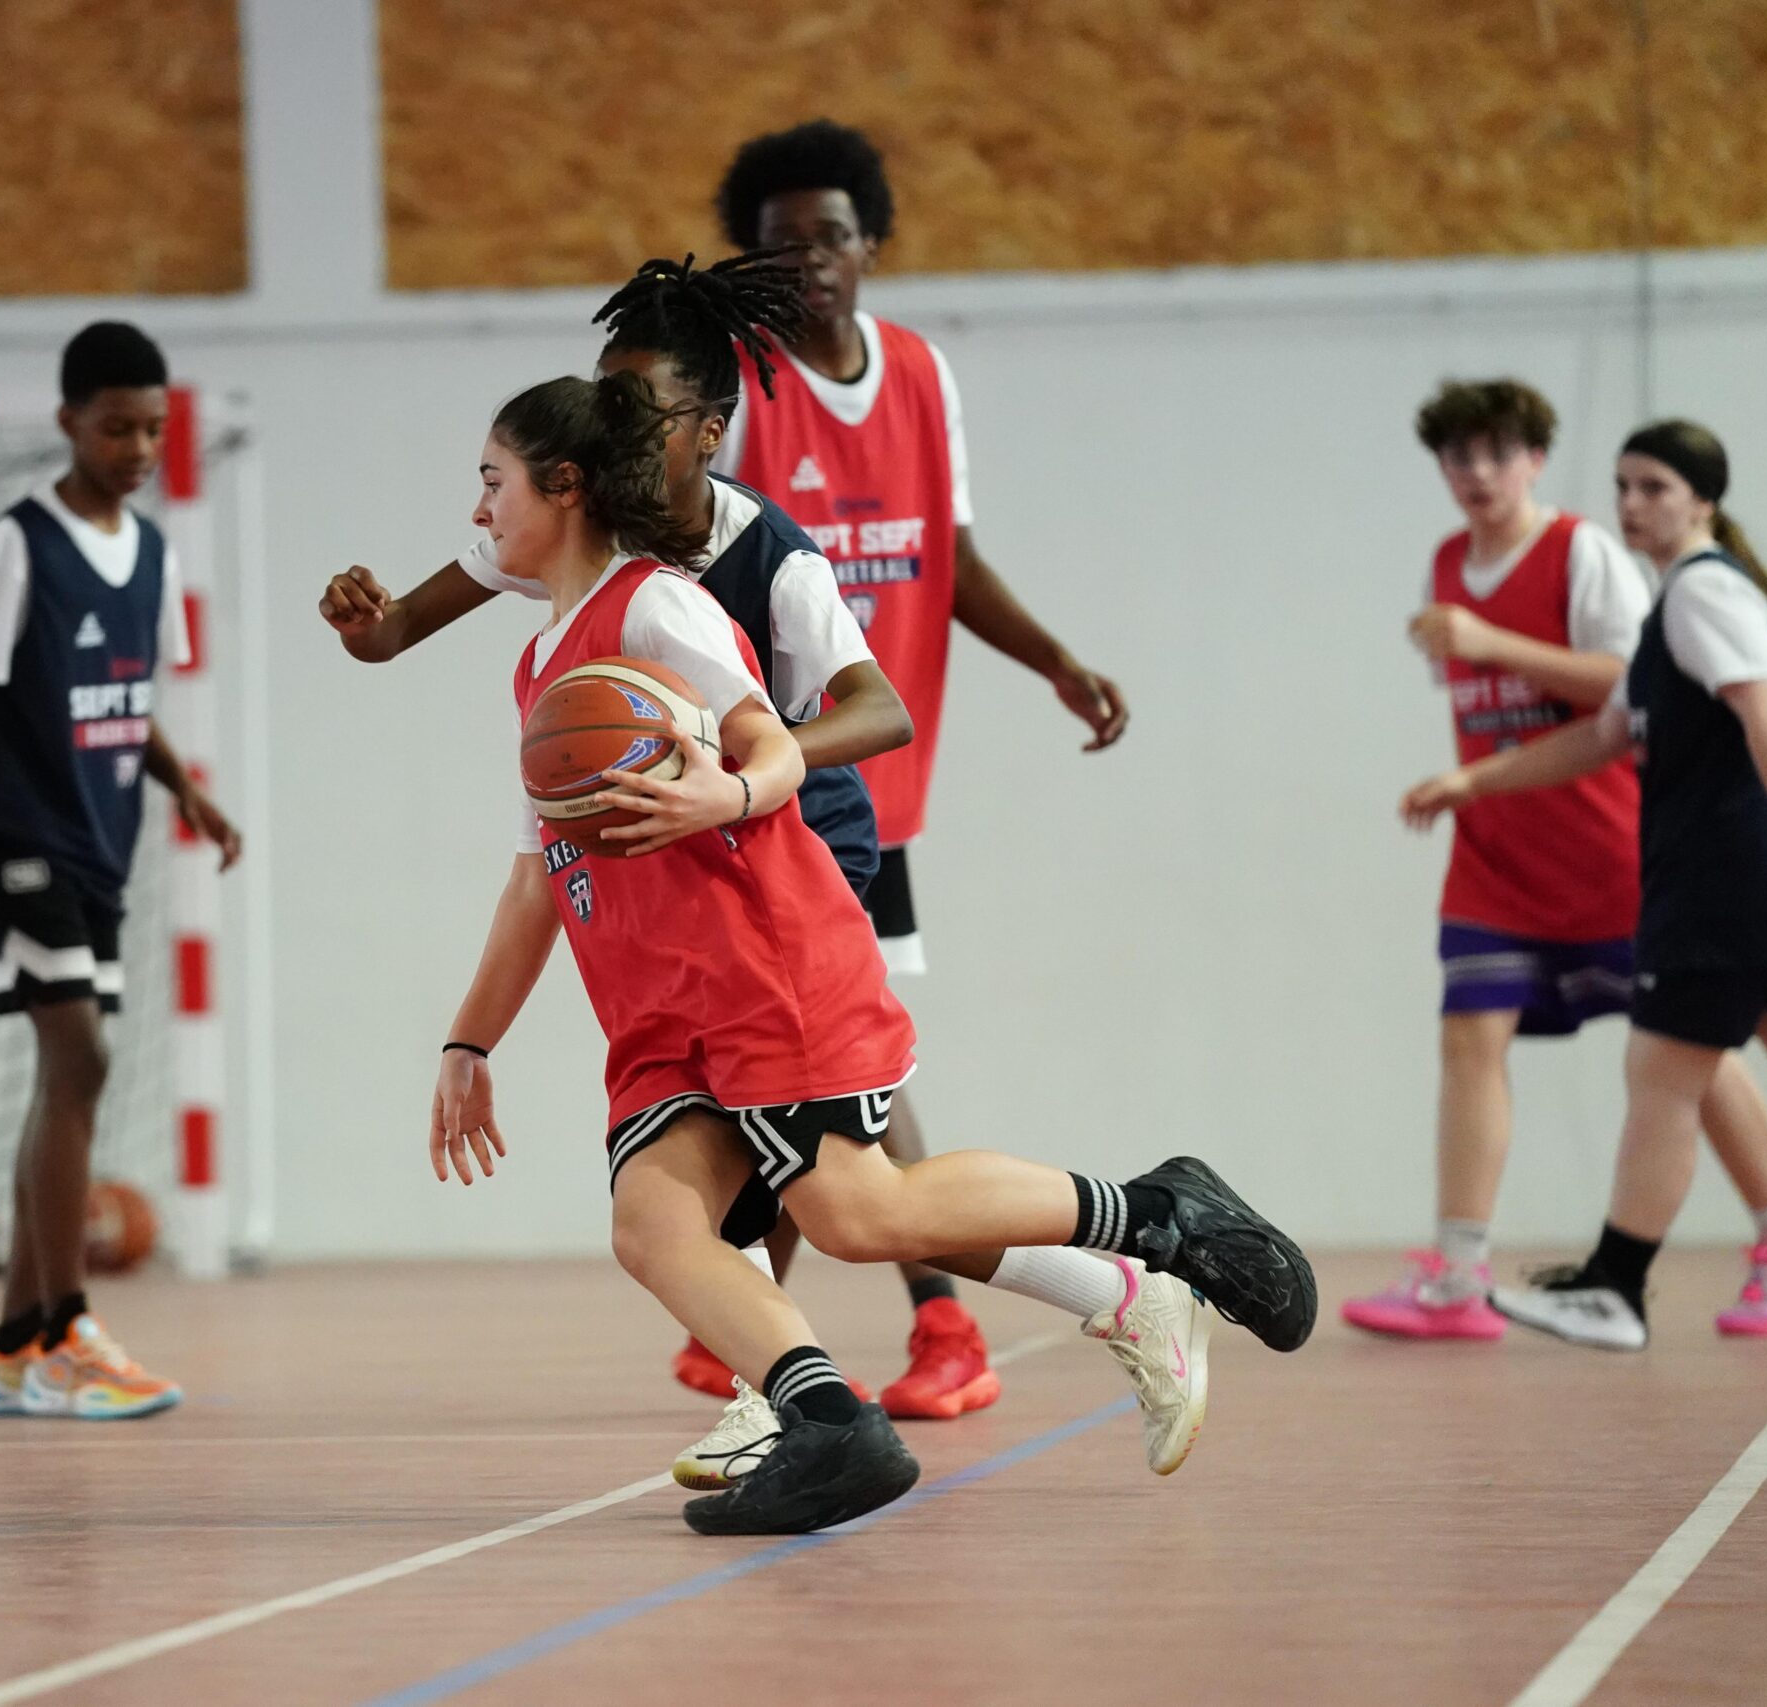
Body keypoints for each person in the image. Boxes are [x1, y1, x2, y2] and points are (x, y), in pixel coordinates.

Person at [430, 368, 1316, 1533]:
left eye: (491, 481)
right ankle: (829, 1423)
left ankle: (1155, 1214)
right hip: (657, 1000)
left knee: (853, 1213)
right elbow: (536, 877)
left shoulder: (656, 610)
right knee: (655, 1223)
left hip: (761, 963)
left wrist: (726, 792)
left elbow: (771, 744)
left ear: (564, 487)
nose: (478, 510)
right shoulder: (540, 669)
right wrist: (468, 1041)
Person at [321, 252, 1011, 1435]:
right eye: (603, 398)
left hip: (796, 834)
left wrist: (726, 772)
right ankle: (804, 1363)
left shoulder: (762, 555)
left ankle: (855, 1350)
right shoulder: (571, 538)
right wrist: (366, 626)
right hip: (684, 845)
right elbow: (399, 636)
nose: (610, 423)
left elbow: (879, 711)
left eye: (635, 407)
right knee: (797, 1164)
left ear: (707, 429)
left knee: (809, 1146)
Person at [707, 116, 1134, 1364]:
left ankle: (891, 1320)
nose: (808, 260)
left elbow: (947, 561)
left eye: (830, 236)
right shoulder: (734, 391)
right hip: (763, 782)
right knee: (812, 1059)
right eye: (780, 244)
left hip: (864, 783)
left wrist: (1055, 662)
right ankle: (799, 1311)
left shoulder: (919, 374)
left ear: (871, 244)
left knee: (835, 1061)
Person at [1348, 380, 1767, 1339]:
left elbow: (1725, 710)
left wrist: (1492, 641)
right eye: (1625, 485)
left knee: (1687, 1062)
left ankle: (1714, 1260)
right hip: (1531, 859)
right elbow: (1603, 725)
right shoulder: (1468, 567)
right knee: (1511, 1045)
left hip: (1653, 863)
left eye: (1653, 486)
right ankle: (1474, 1274)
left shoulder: (1654, 574)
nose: (1632, 502)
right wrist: (1473, 780)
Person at [0, 322, 241, 1417]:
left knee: (69, 1077)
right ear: (68, 422)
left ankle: (14, 1345)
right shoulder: (15, 547)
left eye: (151, 429)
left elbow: (123, 704)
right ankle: (65, 1330)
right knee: (80, 1059)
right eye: (115, 428)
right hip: (17, 838)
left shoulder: (151, 553)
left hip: (102, 843)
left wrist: (185, 787)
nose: (137, 448)